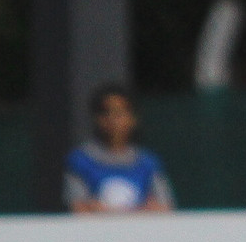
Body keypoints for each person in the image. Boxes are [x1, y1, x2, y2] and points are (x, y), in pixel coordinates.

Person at [64, 84, 174, 213]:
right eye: (106, 113)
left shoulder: (148, 163)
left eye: (119, 114)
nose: (113, 120)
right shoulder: (80, 161)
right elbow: (78, 207)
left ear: (133, 119)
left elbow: (165, 207)